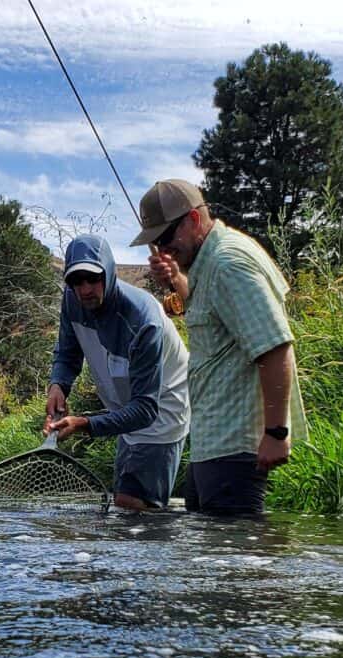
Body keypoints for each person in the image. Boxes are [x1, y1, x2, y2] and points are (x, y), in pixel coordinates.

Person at [131, 179, 307, 515]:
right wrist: (176, 281)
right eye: (155, 242)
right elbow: (212, 315)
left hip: (236, 447)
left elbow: (275, 347)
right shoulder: (208, 263)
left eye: (167, 238)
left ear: (194, 220)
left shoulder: (229, 264)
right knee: (213, 560)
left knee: (242, 564)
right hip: (212, 443)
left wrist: (276, 431)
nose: (163, 249)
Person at [46, 233, 190, 510]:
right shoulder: (72, 300)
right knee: (124, 504)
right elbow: (67, 352)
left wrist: (84, 424)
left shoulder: (144, 322)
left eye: (93, 278)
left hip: (163, 412)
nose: (85, 289)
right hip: (126, 410)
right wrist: (58, 386)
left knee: (132, 504)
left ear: (109, 274)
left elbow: (147, 410)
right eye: (76, 281)